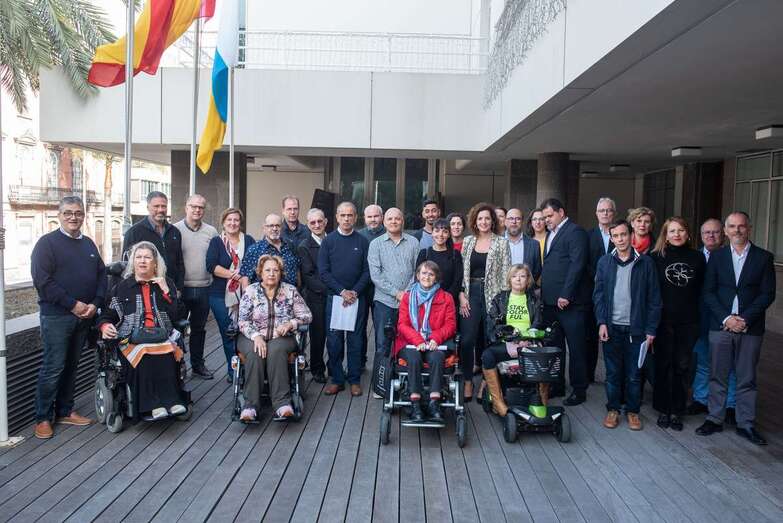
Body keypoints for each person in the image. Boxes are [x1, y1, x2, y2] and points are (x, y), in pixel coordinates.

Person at [697, 212, 776, 445]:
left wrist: (744, 319)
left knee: (746, 377)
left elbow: (767, 294)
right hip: (720, 326)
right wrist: (726, 318)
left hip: (749, 328)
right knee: (717, 374)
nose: (737, 230)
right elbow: (708, 292)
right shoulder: (717, 257)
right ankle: (714, 418)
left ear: (749, 228)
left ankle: (746, 424)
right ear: (726, 230)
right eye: (732, 227)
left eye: (741, 226)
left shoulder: (763, 258)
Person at [31, 196, 105, 439]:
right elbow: (43, 282)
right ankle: (42, 417)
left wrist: (95, 304)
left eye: (78, 213)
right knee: (53, 367)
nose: (74, 217)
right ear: (59, 215)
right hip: (57, 317)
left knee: (72, 366)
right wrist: (72, 304)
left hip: (85, 316)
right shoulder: (47, 244)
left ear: (84, 215)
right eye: (68, 213)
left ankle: (65, 410)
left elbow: (102, 276)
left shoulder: (89, 245)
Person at [97, 242, 188, 421]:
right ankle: (152, 405)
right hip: (130, 338)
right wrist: (105, 326)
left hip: (161, 334)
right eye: (138, 257)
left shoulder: (166, 283)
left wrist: (166, 292)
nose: (143, 261)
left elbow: (178, 314)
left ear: (156, 263)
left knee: (168, 352)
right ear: (133, 262)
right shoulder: (122, 287)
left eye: (147, 257)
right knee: (144, 355)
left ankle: (171, 402)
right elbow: (108, 315)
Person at [593, 220, 661, 431]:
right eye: (616, 236)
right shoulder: (604, 262)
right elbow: (599, 296)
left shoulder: (646, 263)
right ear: (611, 238)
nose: (620, 239)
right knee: (612, 373)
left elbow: (654, 299)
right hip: (612, 327)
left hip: (637, 329)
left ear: (631, 235)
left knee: (634, 374)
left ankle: (632, 412)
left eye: (624, 235)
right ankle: (613, 409)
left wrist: (651, 329)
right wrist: (602, 322)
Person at [236, 255, 312, 421]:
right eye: (267, 270)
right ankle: (250, 406)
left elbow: (306, 315)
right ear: (260, 273)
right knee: (256, 351)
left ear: (281, 273)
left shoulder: (290, 290)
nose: (271, 274)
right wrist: (256, 336)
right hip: (251, 336)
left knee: (276, 349)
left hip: (282, 336)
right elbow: (241, 320)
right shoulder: (251, 291)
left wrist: (291, 324)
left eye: (275, 270)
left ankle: (282, 404)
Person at [651, 217, 705, 431]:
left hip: (688, 322)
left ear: (688, 233)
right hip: (663, 322)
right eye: (672, 231)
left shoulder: (698, 258)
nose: (677, 234)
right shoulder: (656, 257)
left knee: (682, 366)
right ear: (665, 234)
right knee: (663, 365)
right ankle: (663, 409)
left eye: (681, 230)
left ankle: (677, 410)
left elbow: (703, 291)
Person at [540, 198, 591, 406]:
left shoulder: (575, 232)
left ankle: (579, 390)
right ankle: (558, 385)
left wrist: (566, 294)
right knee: (555, 347)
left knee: (576, 348)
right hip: (551, 304)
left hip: (570, 303)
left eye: (550, 216)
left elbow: (577, 265)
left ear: (561, 212)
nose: (546, 220)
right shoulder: (551, 233)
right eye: (544, 217)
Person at [459, 202, 511, 401]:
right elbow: (461, 272)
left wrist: (502, 303)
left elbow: (507, 273)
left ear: (493, 221)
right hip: (470, 293)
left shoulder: (501, 243)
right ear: (475, 221)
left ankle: (486, 383)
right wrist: (461, 294)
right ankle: (467, 381)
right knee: (467, 340)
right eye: (480, 218)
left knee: (490, 339)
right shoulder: (468, 241)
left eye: (487, 218)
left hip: (493, 296)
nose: (484, 222)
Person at [393, 261, 457, 422]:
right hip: (410, 342)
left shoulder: (446, 298)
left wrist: (436, 337)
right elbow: (402, 325)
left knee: (437, 357)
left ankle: (434, 402)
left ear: (436, 278)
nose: (426, 277)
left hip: (435, 343)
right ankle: (415, 403)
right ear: (417, 276)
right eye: (423, 273)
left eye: (431, 274)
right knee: (414, 357)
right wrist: (417, 340)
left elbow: (450, 324)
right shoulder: (408, 297)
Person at [319, 202, 371, 396]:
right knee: (334, 342)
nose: (347, 218)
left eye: (350, 215)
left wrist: (354, 292)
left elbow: (367, 271)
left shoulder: (362, 241)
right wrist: (342, 292)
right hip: (335, 299)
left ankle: (354, 379)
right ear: (337, 217)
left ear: (356, 217)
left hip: (357, 299)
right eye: (343, 215)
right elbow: (324, 272)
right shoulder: (328, 241)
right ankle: (337, 379)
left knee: (355, 341)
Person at [688, 219, 737, 421]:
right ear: (701, 236)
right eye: (707, 232)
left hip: (726, 319)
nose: (711, 236)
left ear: (723, 234)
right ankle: (701, 398)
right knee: (703, 362)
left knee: (730, 365)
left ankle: (731, 404)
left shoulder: (731, 256)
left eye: (715, 232)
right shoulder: (695, 258)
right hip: (700, 319)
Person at [482, 264, 543, 417]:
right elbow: (492, 323)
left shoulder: (534, 299)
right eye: (515, 276)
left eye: (522, 276)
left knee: (546, 355)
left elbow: (537, 322)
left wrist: (528, 336)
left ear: (528, 280)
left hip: (529, 342)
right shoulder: (500, 298)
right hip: (507, 342)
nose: (518, 279)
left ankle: (541, 400)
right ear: (509, 279)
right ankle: (498, 401)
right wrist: (509, 334)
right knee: (488, 355)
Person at [368, 208, 419, 389]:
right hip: (384, 301)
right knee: (383, 343)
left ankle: (405, 382)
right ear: (384, 222)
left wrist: (407, 292)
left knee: (407, 341)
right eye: (390, 219)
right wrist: (397, 293)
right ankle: (380, 385)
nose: (394, 221)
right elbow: (376, 275)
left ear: (402, 221)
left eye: (397, 218)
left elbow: (417, 271)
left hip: (410, 301)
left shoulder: (413, 242)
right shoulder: (375, 244)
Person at [206, 207, 256, 382]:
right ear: (223, 222)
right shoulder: (216, 242)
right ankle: (233, 370)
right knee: (229, 332)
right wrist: (236, 275)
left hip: (247, 293)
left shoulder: (249, 240)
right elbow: (211, 266)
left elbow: (256, 264)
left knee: (246, 332)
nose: (233, 223)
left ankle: (248, 368)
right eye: (229, 220)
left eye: (236, 220)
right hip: (220, 295)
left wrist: (245, 278)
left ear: (240, 222)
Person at [174, 194, 218, 380]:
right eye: (193, 206)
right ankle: (177, 366)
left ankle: (198, 365)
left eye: (201, 207)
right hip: (180, 289)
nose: (197, 210)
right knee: (177, 330)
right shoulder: (174, 230)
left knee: (199, 329)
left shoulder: (211, 232)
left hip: (204, 288)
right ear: (186, 207)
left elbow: (217, 258)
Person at [122, 191, 185, 292]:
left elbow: (179, 263)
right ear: (148, 207)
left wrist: (179, 288)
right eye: (156, 206)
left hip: (171, 289)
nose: (160, 210)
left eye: (163, 206)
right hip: (145, 291)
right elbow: (126, 265)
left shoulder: (175, 232)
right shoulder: (134, 232)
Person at [297, 208, 329, 384]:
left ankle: (334, 366)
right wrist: (333, 289)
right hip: (316, 297)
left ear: (325, 221)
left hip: (337, 296)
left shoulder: (333, 241)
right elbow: (308, 276)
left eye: (319, 221)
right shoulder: (304, 246)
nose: (317, 225)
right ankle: (317, 369)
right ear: (308, 225)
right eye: (312, 222)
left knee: (336, 334)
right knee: (318, 335)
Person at [586, 197, 616, 383]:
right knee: (590, 336)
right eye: (601, 210)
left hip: (616, 291)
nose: (605, 213)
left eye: (608, 210)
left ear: (614, 213)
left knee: (613, 335)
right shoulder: (588, 235)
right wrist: (597, 276)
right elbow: (584, 261)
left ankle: (612, 376)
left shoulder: (621, 233)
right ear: (596, 214)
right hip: (592, 289)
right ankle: (590, 374)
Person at [239, 213, 299, 287]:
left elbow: (298, 271)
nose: (274, 229)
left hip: (290, 295)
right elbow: (246, 277)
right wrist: (247, 296)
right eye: (271, 226)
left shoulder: (290, 246)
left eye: (278, 226)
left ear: (282, 227)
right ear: (264, 228)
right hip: (263, 296)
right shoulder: (255, 249)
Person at [359, 204, 385, 369]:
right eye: (369, 216)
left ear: (381, 217)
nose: (373, 219)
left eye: (376, 216)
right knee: (359, 327)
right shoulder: (359, 236)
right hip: (362, 288)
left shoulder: (388, 234)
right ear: (364, 218)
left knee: (380, 328)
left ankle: (380, 364)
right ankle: (360, 361)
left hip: (381, 289)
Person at [415, 218, 463, 305]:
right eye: (437, 231)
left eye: (445, 231)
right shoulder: (424, 253)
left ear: (449, 235)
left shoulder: (455, 254)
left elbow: (457, 280)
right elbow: (418, 278)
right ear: (432, 233)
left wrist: (445, 298)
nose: (440, 234)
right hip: (427, 301)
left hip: (448, 301)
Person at [505, 208, 542, 282]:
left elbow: (537, 271)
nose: (514, 222)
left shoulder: (534, 245)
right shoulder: (495, 243)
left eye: (518, 219)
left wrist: (526, 285)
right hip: (501, 291)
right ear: (505, 221)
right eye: (511, 218)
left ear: (522, 222)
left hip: (525, 290)